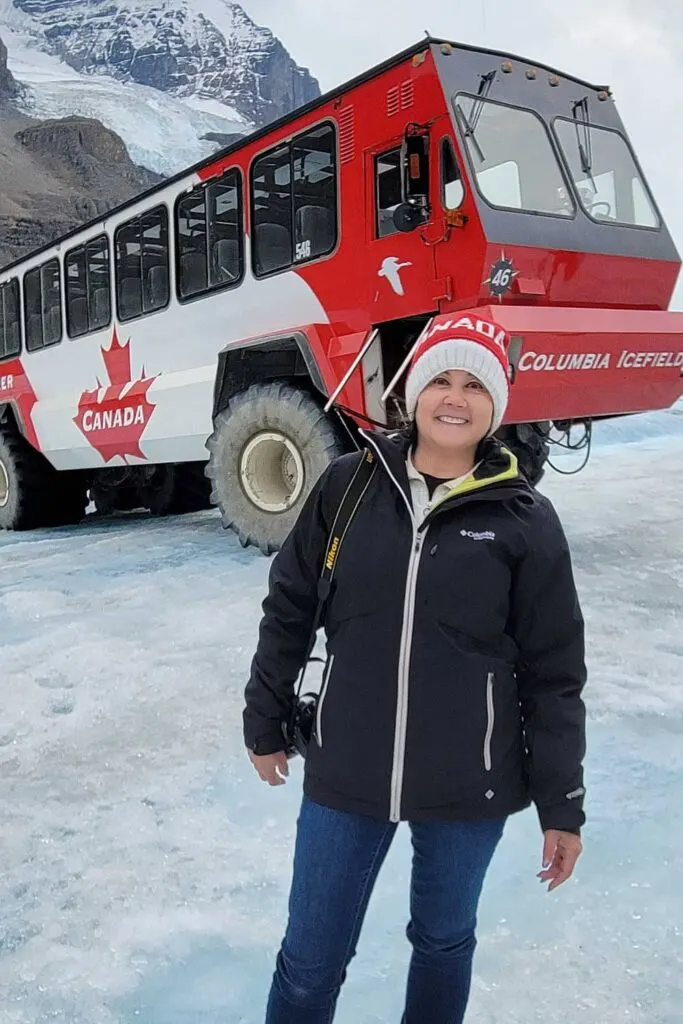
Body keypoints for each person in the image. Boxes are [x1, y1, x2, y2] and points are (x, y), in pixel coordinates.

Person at [243, 315, 587, 1024]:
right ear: (410, 393)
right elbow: (290, 608)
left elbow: (554, 673)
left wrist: (562, 805)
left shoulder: (524, 519)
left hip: (470, 784)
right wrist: (263, 719)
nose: (453, 398)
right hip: (345, 774)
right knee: (308, 963)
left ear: (494, 405)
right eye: (438, 379)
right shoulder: (347, 487)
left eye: (472, 384)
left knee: (441, 944)